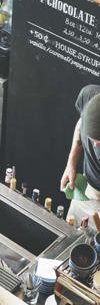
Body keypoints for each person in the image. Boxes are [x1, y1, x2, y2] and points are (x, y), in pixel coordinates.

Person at [61, 84, 100, 224]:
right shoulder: (89, 95)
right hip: (85, 191)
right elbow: (81, 123)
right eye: (92, 139)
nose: (95, 146)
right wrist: (71, 162)